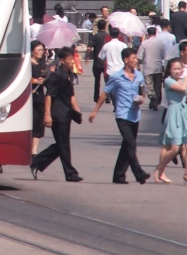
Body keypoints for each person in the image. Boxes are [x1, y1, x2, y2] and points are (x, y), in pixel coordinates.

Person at [89, 47, 150, 184]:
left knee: (126, 146)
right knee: (130, 144)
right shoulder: (116, 77)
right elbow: (105, 93)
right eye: (134, 58)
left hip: (135, 114)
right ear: (126, 60)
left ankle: (118, 175)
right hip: (122, 114)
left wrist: (141, 98)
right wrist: (95, 111)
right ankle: (139, 173)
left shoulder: (139, 75)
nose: (136, 60)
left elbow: (142, 91)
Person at [31, 47, 83, 182]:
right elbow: (49, 96)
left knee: (61, 144)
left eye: (73, 59)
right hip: (57, 114)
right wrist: (47, 115)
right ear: (62, 60)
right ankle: (70, 173)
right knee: (63, 144)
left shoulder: (69, 74)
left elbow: (71, 95)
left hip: (66, 113)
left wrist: (76, 109)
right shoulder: (57, 76)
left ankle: (37, 161)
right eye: (70, 59)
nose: (72, 62)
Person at [154, 59, 187, 184]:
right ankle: (160, 168)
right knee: (174, 147)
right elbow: (182, 88)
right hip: (174, 112)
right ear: (169, 70)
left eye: (180, 68)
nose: (177, 71)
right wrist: (186, 79)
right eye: (174, 69)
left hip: (185, 112)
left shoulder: (183, 79)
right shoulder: (169, 80)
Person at [137, 27, 165, 110]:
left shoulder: (144, 43)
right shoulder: (161, 43)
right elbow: (164, 55)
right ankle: (155, 100)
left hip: (148, 67)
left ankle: (152, 98)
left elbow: (139, 56)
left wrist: (138, 65)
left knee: (149, 85)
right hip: (158, 66)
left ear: (147, 34)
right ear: (156, 33)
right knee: (157, 85)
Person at [29, 40, 49, 156]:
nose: (41, 52)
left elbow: (48, 82)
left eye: (43, 50)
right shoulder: (26, 65)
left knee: (39, 123)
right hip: (29, 98)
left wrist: (49, 74)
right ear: (32, 51)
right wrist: (34, 80)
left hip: (40, 97)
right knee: (31, 121)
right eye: (39, 50)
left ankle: (34, 150)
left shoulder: (43, 65)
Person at [89, 19, 109, 102]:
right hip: (106, 62)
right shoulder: (108, 36)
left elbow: (90, 47)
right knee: (107, 81)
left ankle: (96, 97)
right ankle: (108, 97)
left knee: (97, 81)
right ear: (105, 26)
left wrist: (87, 56)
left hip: (97, 61)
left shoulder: (95, 36)